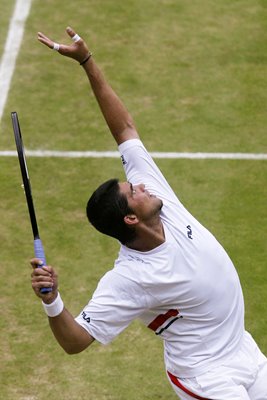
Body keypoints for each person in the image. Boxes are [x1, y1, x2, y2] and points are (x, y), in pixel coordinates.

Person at [31, 27, 267, 400]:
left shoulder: (161, 201)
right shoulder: (131, 279)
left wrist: (87, 62)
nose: (140, 185)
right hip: (205, 375)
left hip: (244, 352)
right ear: (130, 219)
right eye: (133, 191)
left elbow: (124, 128)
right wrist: (52, 300)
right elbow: (75, 342)